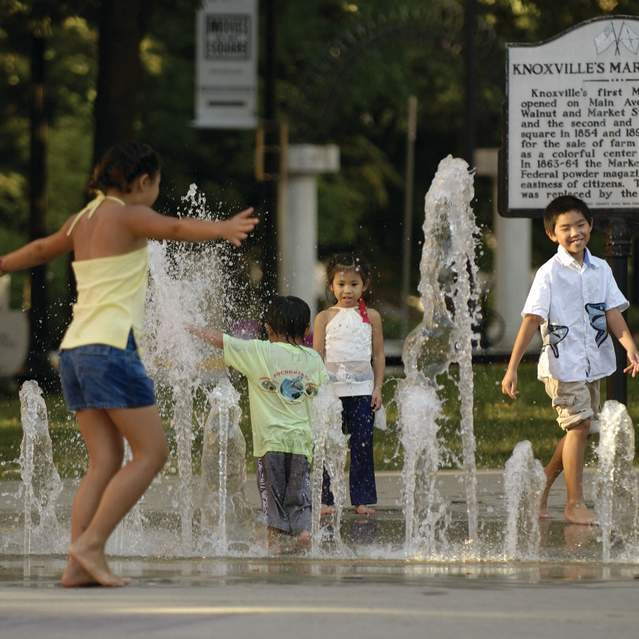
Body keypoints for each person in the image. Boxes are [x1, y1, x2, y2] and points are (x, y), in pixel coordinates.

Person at [0, 142, 258, 586]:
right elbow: (174, 228)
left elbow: (43, 248)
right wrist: (221, 228)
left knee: (104, 460)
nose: (156, 194)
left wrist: (2, 263)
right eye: (156, 185)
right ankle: (91, 543)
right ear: (142, 182)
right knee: (151, 452)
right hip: (111, 349)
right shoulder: (124, 212)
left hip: (76, 352)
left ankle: (77, 565)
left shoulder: (84, 217)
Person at [501, 195, 639, 525]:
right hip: (562, 365)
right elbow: (531, 320)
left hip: (591, 363)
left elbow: (612, 313)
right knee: (578, 425)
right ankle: (574, 502)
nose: (575, 232)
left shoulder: (601, 269)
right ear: (552, 234)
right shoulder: (549, 274)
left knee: (580, 427)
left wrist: (630, 346)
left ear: (590, 226)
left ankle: (544, 481)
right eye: (566, 228)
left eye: (580, 225)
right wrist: (512, 369)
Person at [189, 295, 328, 550]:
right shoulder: (314, 360)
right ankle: (304, 532)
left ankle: (272, 540)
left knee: (272, 496)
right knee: (300, 493)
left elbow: (221, 341)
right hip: (302, 442)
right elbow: (324, 395)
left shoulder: (259, 351)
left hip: (270, 443)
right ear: (307, 330)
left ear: (268, 329)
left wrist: (190, 327)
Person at [313, 253, 385, 516]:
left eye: (354, 284)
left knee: (362, 444)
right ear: (331, 285)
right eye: (341, 284)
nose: (347, 290)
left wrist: (377, 387)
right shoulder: (324, 318)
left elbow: (377, 355)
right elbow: (317, 356)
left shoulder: (372, 317)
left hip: (363, 392)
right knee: (327, 443)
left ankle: (362, 499)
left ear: (364, 285)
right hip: (331, 393)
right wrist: (318, 391)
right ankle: (326, 498)